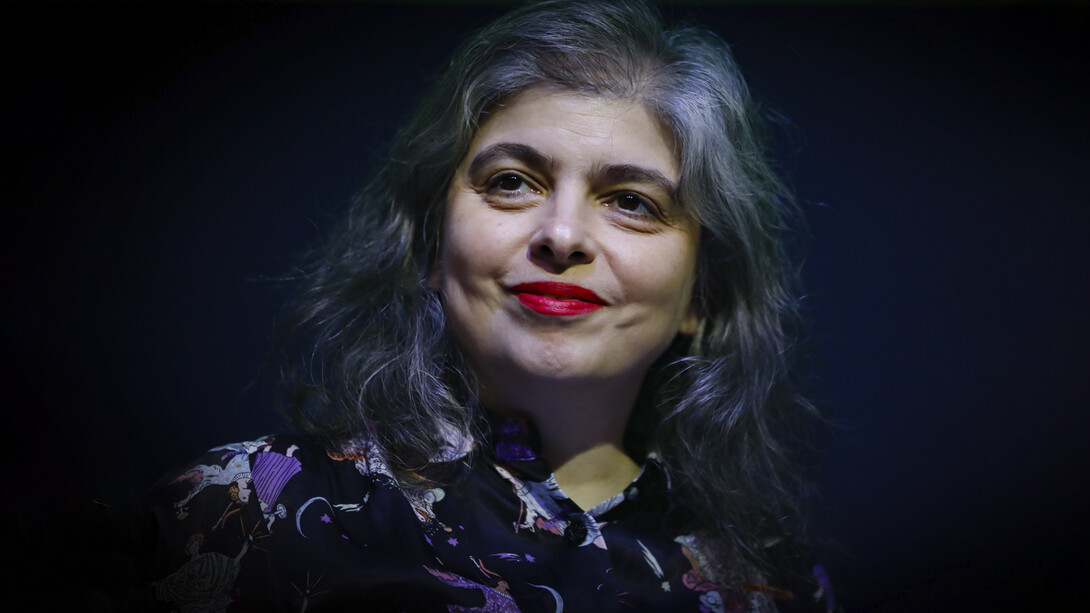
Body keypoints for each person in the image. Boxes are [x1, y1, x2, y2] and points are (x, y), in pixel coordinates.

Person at [147, 1, 836, 611]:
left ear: (703, 293)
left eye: (632, 201)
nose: (562, 235)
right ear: (428, 246)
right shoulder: (238, 515)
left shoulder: (774, 588)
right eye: (512, 182)